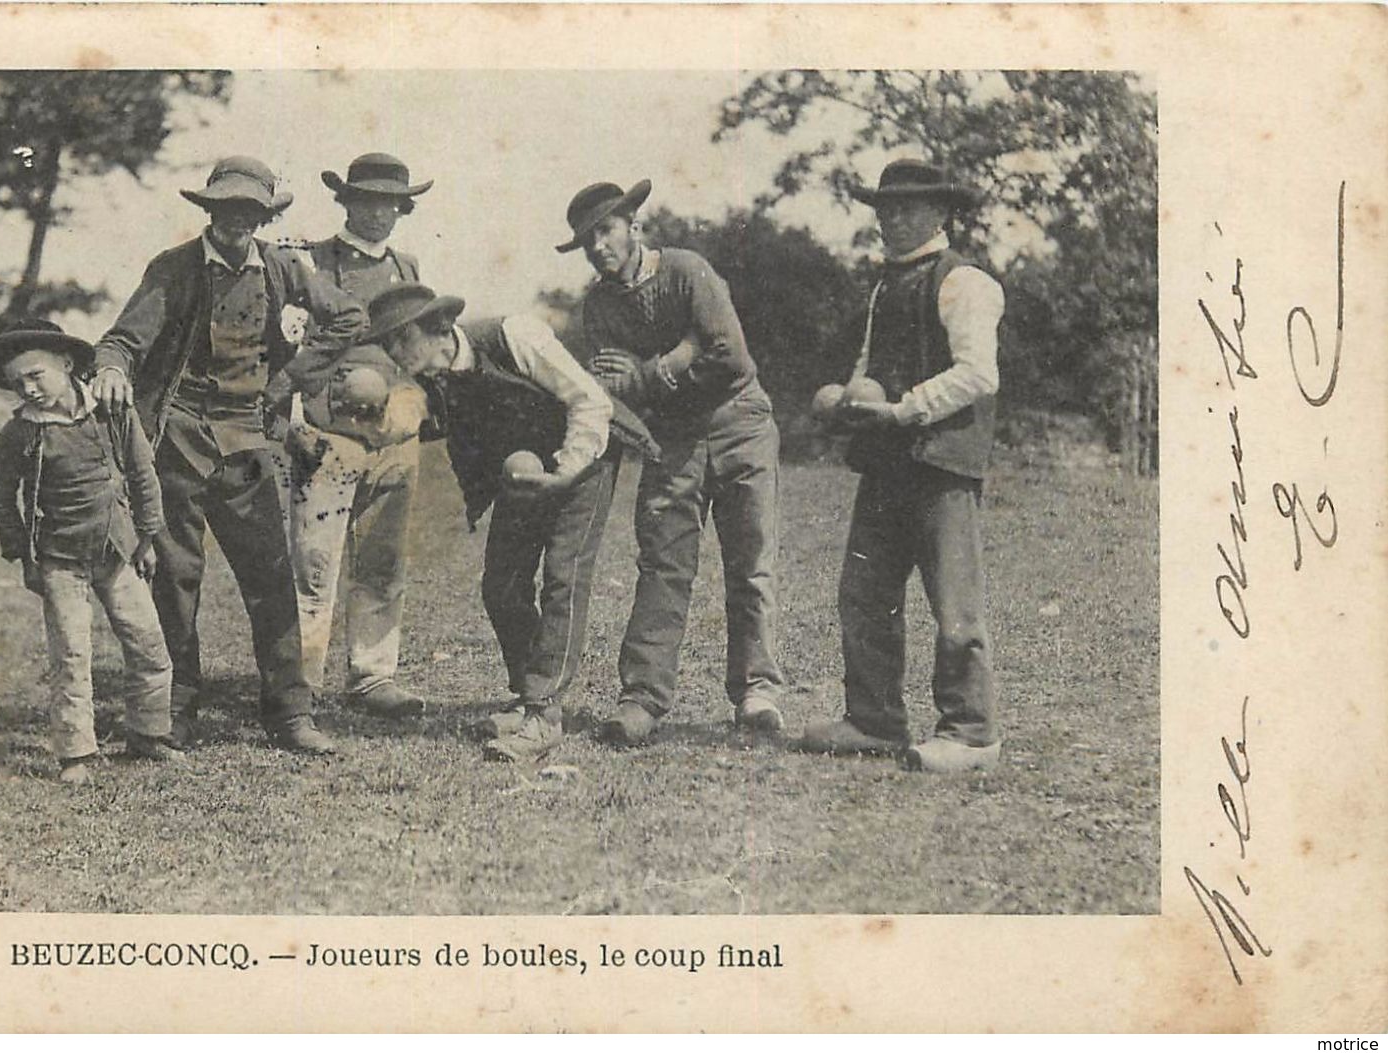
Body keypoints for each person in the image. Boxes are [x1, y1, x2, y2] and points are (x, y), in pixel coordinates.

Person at [91, 156, 366, 755]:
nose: (237, 221)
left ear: (264, 217)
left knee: (270, 577)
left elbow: (347, 316)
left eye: (249, 211)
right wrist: (111, 368)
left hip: (248, 442)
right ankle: (174, 710)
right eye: (226, 209)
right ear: (210, 211)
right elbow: (121, 340)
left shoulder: (283, 268)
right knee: (176, 578)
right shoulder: (174, 270)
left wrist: (289, 381)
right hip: (180, 440)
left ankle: (291, 713)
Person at [365, 283, 659, 763]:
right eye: (387, 345)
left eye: (401, 339)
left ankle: (544, 715)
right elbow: (420, 428)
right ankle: (528, 696)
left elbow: (591, 404)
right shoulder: (427, 382)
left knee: (564, 579)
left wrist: (564, 470)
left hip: (586, 454)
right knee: (502, 584)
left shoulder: (513, 335)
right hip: (524, 471)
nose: (395, 354)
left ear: (438, 329)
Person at [561, 179, 786, 746]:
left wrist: (650, 371)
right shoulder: (600, 306)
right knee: (662, 566)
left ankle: (757, 691)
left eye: (605, 231)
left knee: (751, 559)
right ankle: (642, 697)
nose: (598, 247)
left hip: (740, 425)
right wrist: (680, 355)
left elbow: (730, 357)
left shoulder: (686, 269)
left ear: (633, 224)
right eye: (586, 240)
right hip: (673, 440)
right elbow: (618, 393)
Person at [802, 158, 1005, 773]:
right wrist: (850, 398)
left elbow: (977, 373)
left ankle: (971, 734)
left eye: (907, 207)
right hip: (888, 462)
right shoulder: (886, 285)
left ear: (940, 213)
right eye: (885, 208)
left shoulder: (964, 281)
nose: (892, 219)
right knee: (864, 593)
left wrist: (904, 410)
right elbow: (869, 365)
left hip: (942, 462)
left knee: (954, 604)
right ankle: (874, 719)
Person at [0, 320, 179, 785]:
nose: (28, 389)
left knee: (148, 641)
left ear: (67, 365)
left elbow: (142, 472)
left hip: (115, 549)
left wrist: (146, 538)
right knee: (71, 653)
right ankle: (76, 755)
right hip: (58, 559)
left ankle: (149, 734)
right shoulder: (20, 434)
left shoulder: (109, 413)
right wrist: (21, 553)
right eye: (17, 383)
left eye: (36, 375)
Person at [274, 152, 433, 719]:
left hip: (392, 434)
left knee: (384, 558)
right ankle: (302, 681)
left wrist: (413, 412)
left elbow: (418, 351)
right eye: (367, 200)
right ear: (346, 201)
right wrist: (293, 423)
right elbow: (287, 349)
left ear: (402, 207)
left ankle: (372, 676)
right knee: (315, 563)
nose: (378, 213)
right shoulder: (310, 263)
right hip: (328, 430)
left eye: (390, 202)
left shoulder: (408, 267)